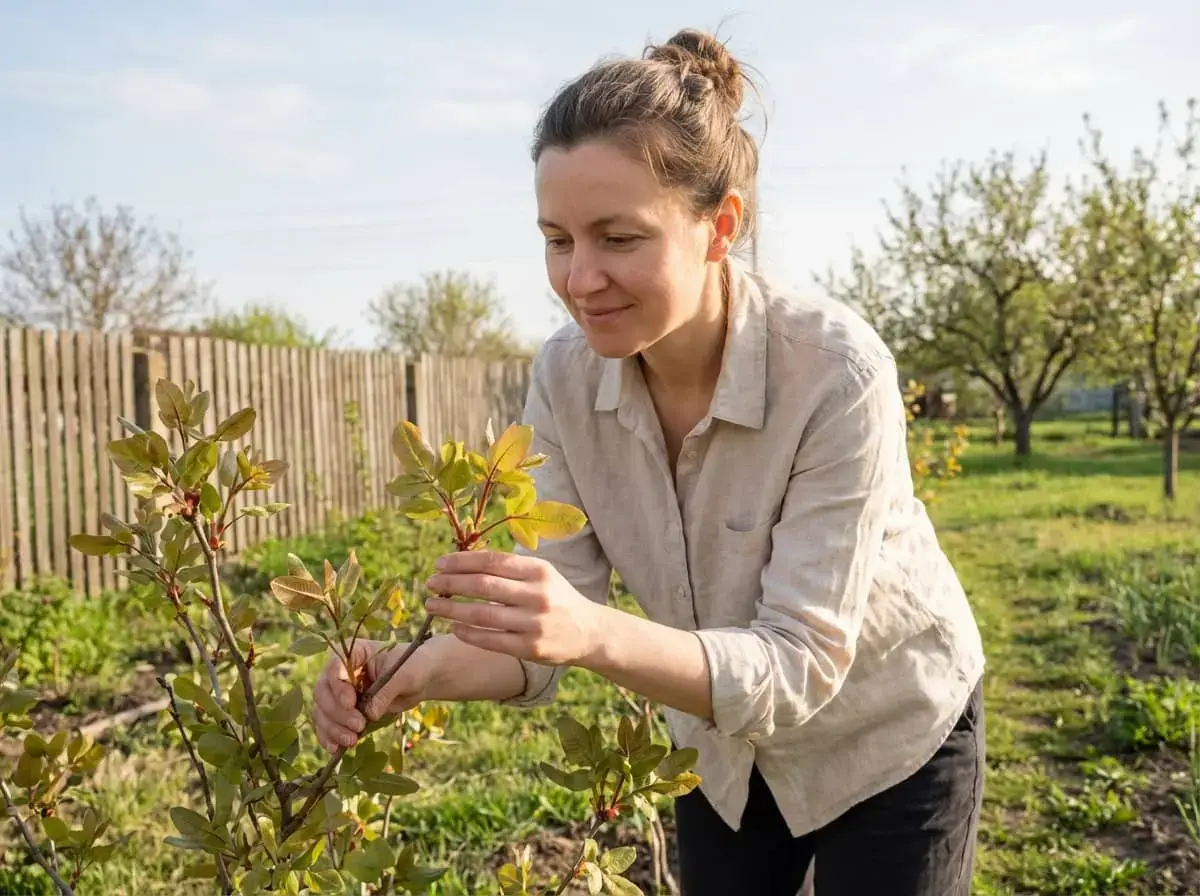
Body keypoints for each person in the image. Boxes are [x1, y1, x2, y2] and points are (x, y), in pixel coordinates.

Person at [312, 26, 986, 895]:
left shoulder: (835, 372)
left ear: (720, 227)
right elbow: (548, 635)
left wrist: (589, 631)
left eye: (618, 239)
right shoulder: (561, 378)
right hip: (719, 750)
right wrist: (413, 671)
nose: (579, 279)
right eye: (557, 239)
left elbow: (794, 667)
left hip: (886, 733)